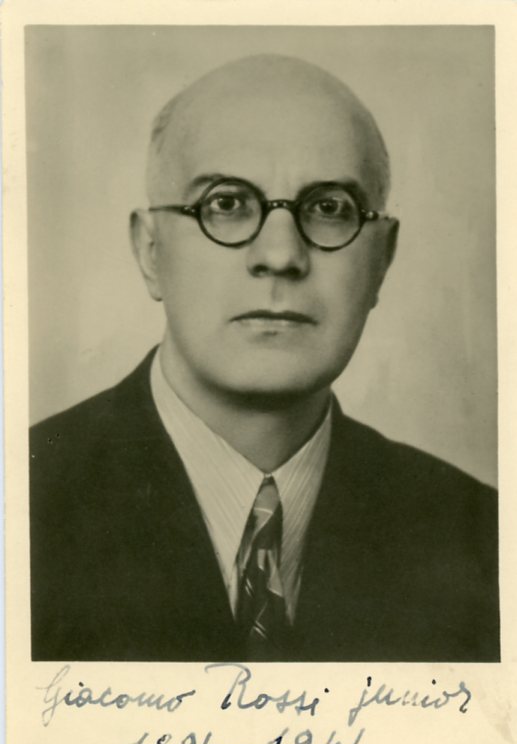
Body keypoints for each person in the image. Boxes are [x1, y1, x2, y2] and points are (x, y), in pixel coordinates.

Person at [30, 54, 499, 662]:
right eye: (226, 203)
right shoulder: (24, 505)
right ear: (150, 251)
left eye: (329, 207)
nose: (280, 255)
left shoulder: (482, 539)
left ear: (382, 261)